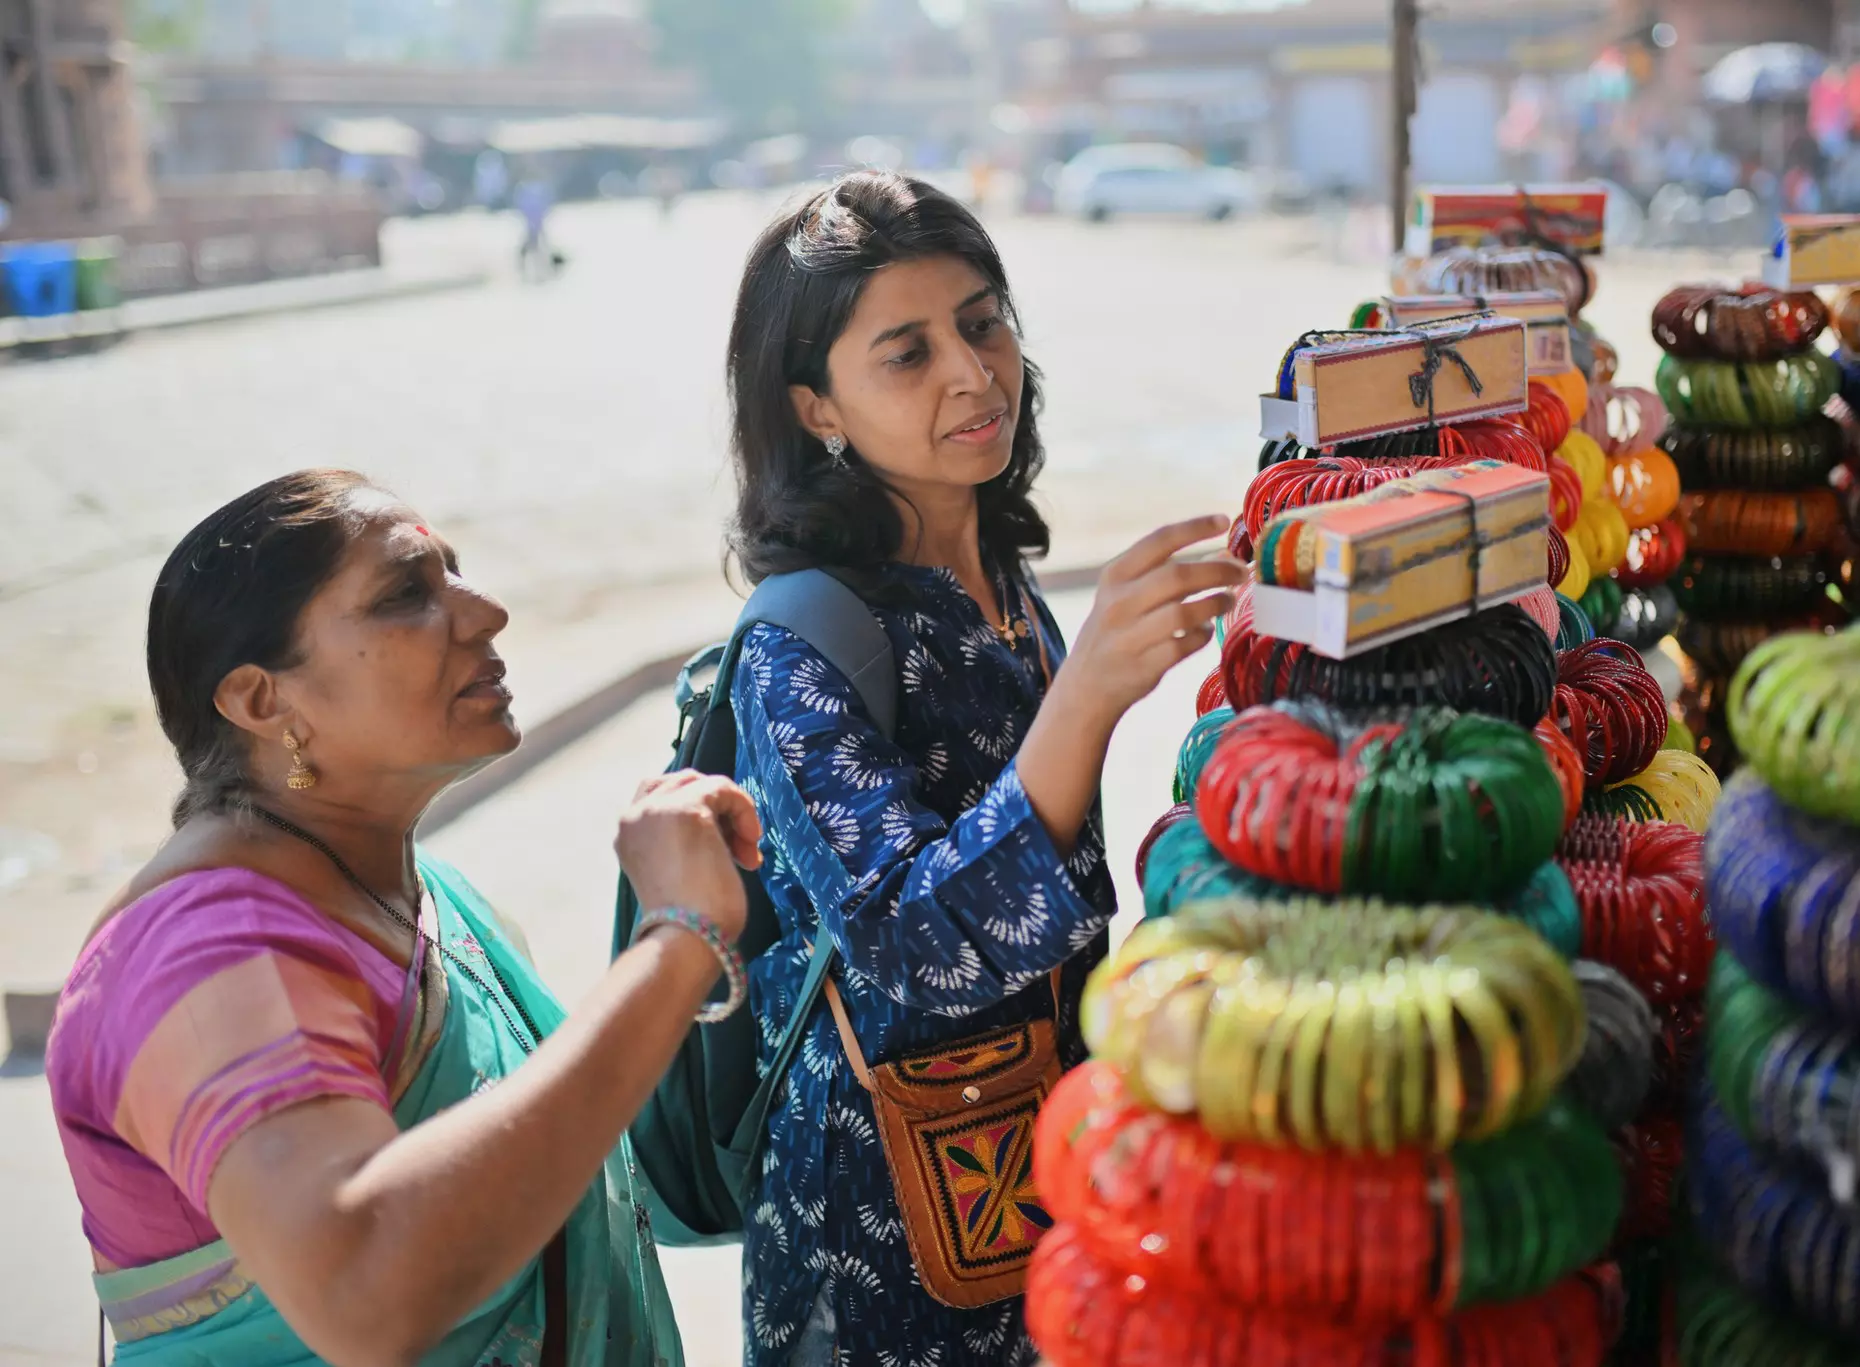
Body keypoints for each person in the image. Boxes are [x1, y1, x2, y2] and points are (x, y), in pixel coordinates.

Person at [45, 469, 760, 1366]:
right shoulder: (202, 955)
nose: (487, 611)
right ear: (264, 701)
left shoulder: (434, 898)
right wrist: (676, 940)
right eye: (405, 595)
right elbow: (367, 1293)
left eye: (455, 573)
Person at [719, 170, 1245, 1365]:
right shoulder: (797, 641)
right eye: (905, 353)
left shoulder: (1001, 584)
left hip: (1050, 1177)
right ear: (817, 409)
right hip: (882, 1227)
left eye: (983, 320)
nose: (972, 371)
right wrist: (1090, 694)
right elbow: (912, 947)